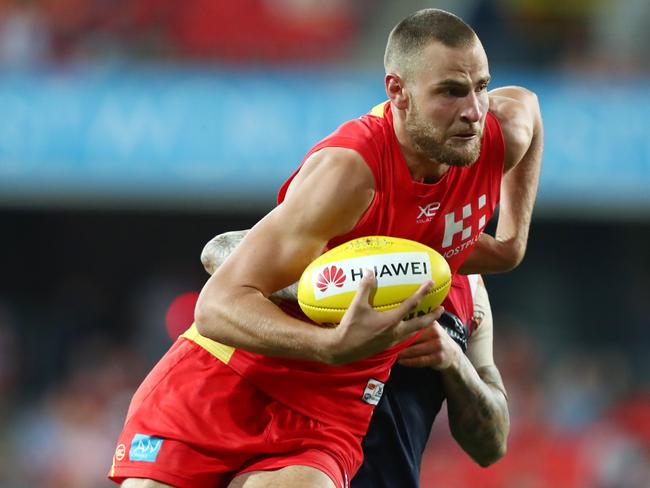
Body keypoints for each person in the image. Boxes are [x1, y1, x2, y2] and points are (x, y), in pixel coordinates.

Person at [110, 8, 542, 488]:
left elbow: (528, 106)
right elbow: (216, 307)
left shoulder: (502, 133)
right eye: (450, 92)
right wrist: (331, 344)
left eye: (481, 86)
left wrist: (511, 245)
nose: (473, 112)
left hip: (326, 410)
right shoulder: (350, 174)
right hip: (230, 380)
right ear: (397, 92)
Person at [201, 231, 502, 488]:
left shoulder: (471, 290)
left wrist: (454, 361)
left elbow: (491, 446)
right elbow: (219, 250)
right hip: (289, 469)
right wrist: (318, 293)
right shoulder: (341, 226)